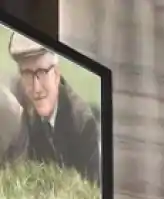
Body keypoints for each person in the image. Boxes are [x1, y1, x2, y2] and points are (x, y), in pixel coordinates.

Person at [7, 30, 99, 185]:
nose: (36, 88)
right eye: (27, 74)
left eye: (42, 72)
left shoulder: (82, 123)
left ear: (56, 74)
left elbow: (93, 187)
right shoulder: (17, 103)